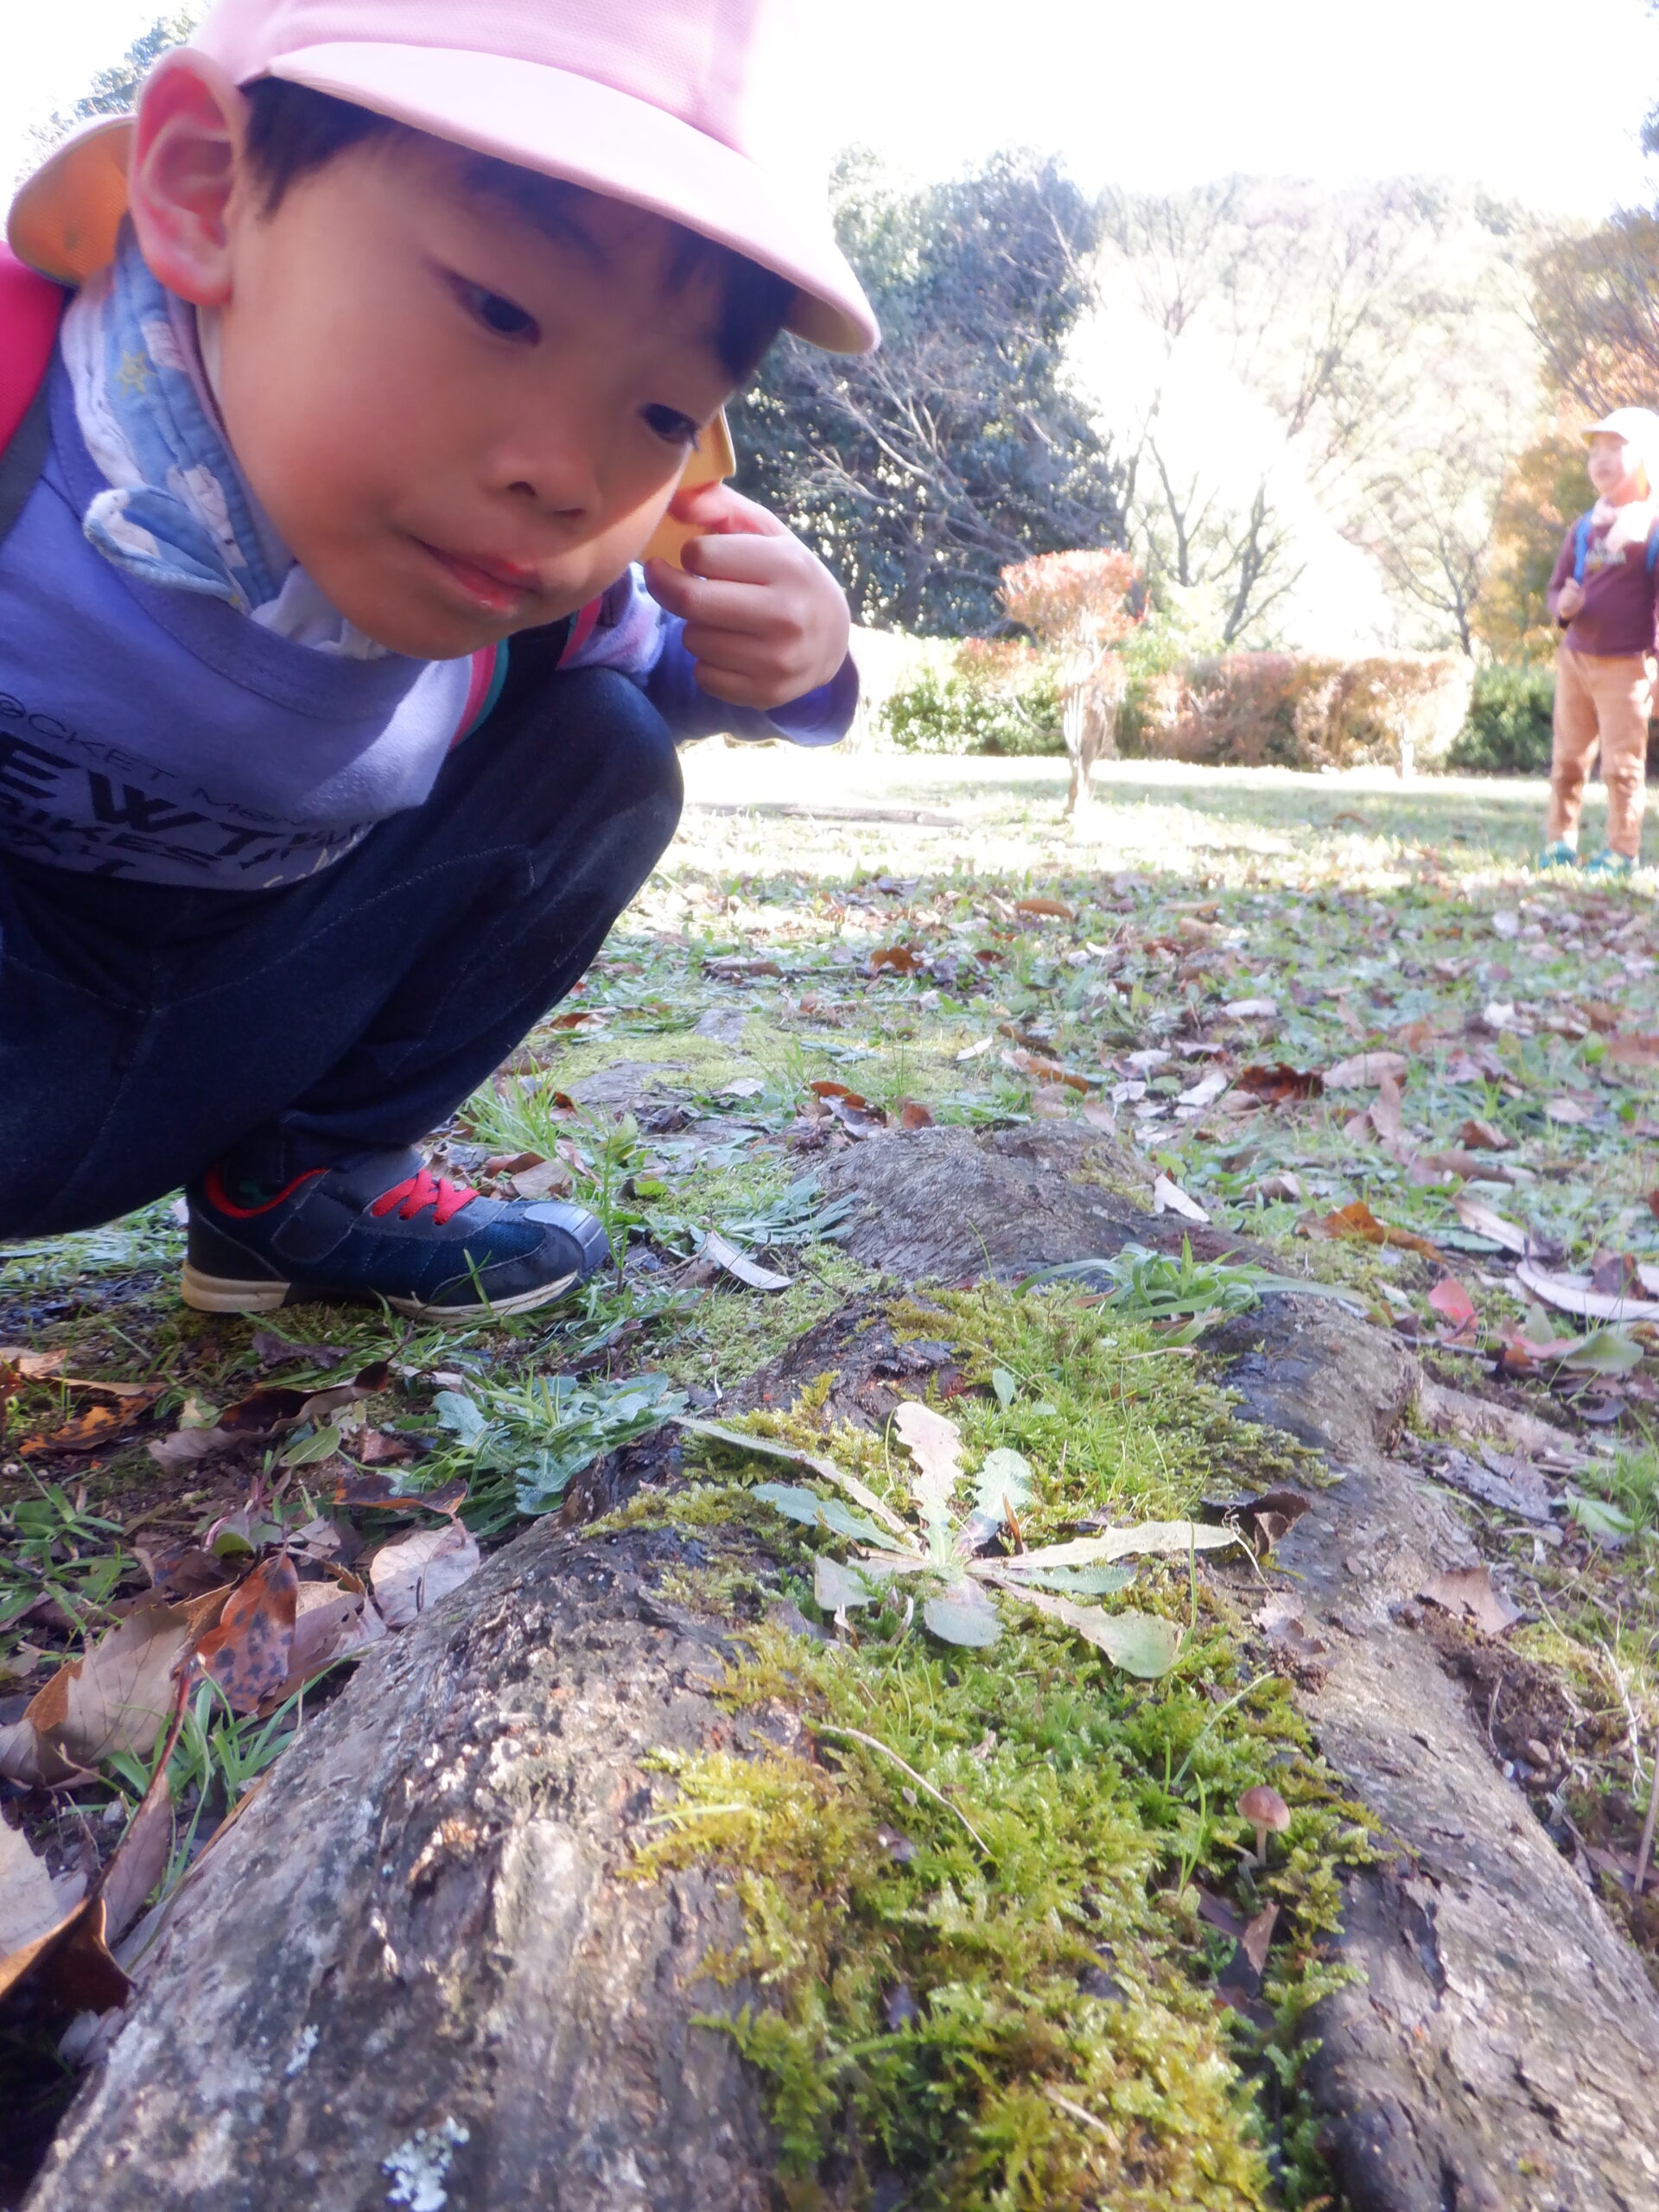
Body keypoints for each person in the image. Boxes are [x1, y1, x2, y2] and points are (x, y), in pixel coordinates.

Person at [0, 0, 877, 1319]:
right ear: (205, 191)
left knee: (608, 752)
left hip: (231, 1022)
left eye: (659, 411)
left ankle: (301, 1186)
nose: (564, 475)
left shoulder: (528, 595)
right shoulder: (27, 415)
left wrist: (794, 658)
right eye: (501, 312)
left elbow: (674, 680)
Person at [1540, 404, 1659, 879]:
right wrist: (1562, 606)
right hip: (1575, 662)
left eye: (1616, 448)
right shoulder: (1585, 526)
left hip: (1626, 667)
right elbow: (1554, 591)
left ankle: (1621, 851)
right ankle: (1559, 842)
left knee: (1622, 766)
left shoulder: (1651, 527)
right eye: (1596, 451)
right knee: (1567, 760)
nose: (1602, 460)